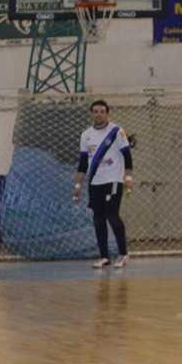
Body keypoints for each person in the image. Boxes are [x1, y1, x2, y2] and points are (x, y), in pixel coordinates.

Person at [73, 99, 133, 269]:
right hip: (95, 182)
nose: (99, 114)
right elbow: (83, 163)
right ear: (91, 114)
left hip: (113, 180)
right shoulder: (85, 135)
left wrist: (128, 177)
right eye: (95, 111)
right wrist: (77, 186)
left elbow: (127, 155)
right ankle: (104, 257)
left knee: (112, 215)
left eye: (102, 111)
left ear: (107, 113)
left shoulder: (116, 131)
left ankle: (123, 254)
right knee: (98, 219)